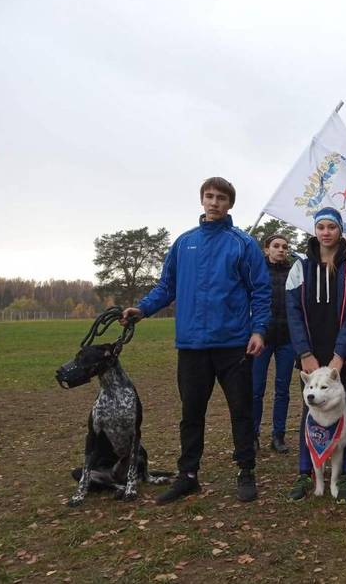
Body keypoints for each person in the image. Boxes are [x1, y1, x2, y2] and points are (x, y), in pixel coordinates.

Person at [121, 177, 271, 504]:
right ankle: (188, 475)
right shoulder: (183, 243)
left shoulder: (242, 244)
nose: (214, 202)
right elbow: (166, 286)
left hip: (234, 345)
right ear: (202, 200)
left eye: (221, 198)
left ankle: (246, 471)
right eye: (209, 196)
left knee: (241, 412)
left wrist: (258, 330)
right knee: (191, 414)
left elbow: (261, 291)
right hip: (191, 346)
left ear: (230, 204)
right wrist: (143, 309)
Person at [284, 207, 346, 504]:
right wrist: (304, 353)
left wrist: (340, 355)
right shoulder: (300, 267)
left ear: (339, 230)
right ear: (314, 230)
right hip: (310, 355)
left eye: (331, 227)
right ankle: (305, 472)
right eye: (320, 226)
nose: (325, 232)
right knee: (310, 411)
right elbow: (293, 313)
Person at [252, 234, 293, 454]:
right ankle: (253, 435)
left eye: (285, 247)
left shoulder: (293, 273)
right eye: (276, 246)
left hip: (287, 339)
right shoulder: (257, 272)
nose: (281, 250)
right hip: (262, 339)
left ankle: (278, 435)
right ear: (266, 249)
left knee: (282, 390)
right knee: (256, 389)